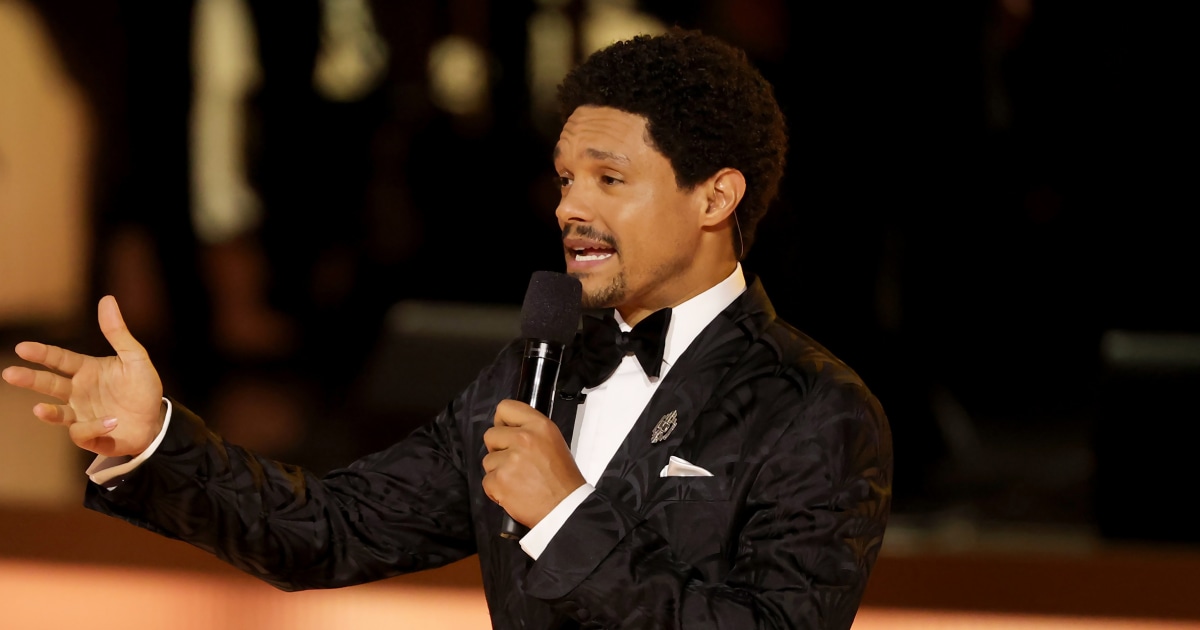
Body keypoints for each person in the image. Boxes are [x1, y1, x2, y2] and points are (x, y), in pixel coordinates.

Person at [3, 27, 892, 629]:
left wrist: (567, 516)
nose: (569, 207)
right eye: (565, 178)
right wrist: (157, 441)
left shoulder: (815, 409)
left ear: (716, 196)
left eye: (609, 180)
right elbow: (333, 530)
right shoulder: (535, 372)